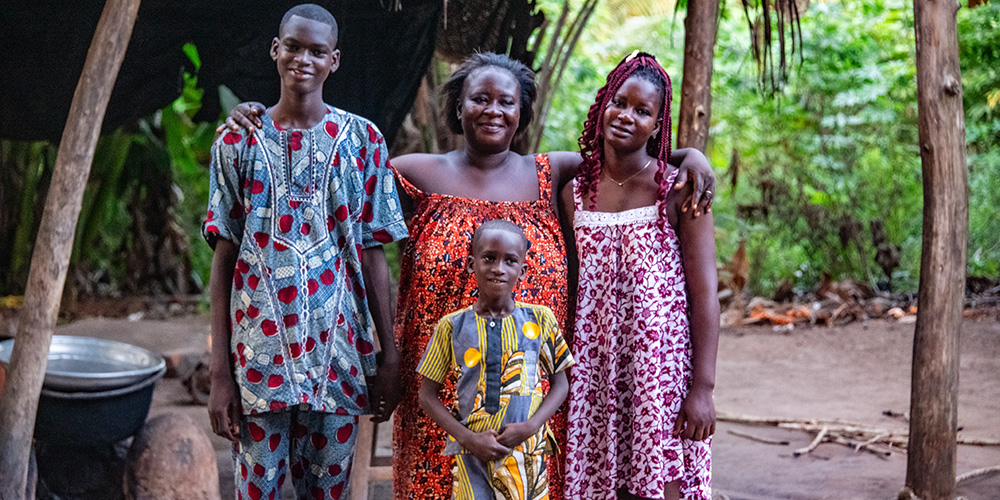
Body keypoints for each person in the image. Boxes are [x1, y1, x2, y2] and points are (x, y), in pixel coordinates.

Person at [224, 51, 716, 500]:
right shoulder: (412, 173)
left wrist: (688, 156)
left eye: (507, 102)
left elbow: (626, 154)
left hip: (532, 400)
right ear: (458, 108)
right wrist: (262, 120)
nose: (493, 111)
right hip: (438, 387)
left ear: (522, 114)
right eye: (480, 99)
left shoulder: (552, 174)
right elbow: (331, 176)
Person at [202, 5, 408, 500]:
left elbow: (373, 249)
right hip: (257, 360)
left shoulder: (363, 140)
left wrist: (389, 355)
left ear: (334, 61)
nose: (303, 59)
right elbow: (224, 255)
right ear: (276, 51)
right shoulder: (237, 140)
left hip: (337, 356)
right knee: (257, 491)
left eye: (317, 51)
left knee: (329, 492)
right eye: (293, 46)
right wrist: (219, 373)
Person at [559, 51, 719, 500]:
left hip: (659, 371)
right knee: (597, 483)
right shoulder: (575, 191)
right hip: (591, 368)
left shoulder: (678, 189)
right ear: (602, 104)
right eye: (619, 102)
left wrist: (703, 388)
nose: (626, 116)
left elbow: (705, 292)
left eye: (643, 111)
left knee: (658, 484)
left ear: (657, 124)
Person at [416, 219, 573, 500]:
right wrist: (468, 438)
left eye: (510, 261)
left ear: (522, 271)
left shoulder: (541, 319)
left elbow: (561, 385)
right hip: (472, 454)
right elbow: (427, 396)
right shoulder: (451, 326)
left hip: (526, 454)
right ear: (471, 264)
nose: (498, 268)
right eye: (489, 258)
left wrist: (530, 426)